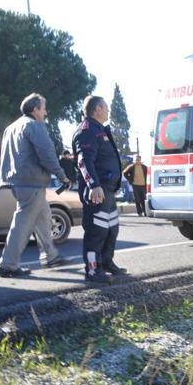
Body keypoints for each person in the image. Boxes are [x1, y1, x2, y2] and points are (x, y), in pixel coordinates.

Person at [0, 93, 73, 277]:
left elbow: (4, 156)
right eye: (44, 108)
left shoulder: (11, 128)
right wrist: (62, 176)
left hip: (19, 183)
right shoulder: (34, 126)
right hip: (32, 184)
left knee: (44, 216)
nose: (46, 112)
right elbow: (47, 154)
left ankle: (50, 256)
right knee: (21, 225)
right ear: (35, 109)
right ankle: (7, 265)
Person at [73, 95, 126, 282]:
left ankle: (106, 262)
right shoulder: (87, 131)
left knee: (111, 229)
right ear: (97, 109)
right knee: (97, 231)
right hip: (97, 190)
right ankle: (93, 270)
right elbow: (83, 161)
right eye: (106, 107)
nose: (109, 110)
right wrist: (94, 185)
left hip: (108, 190)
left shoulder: (99, 129)